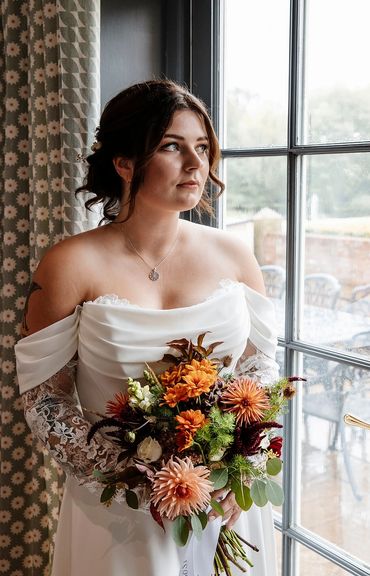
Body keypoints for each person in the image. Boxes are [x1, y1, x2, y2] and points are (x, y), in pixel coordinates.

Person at [15, 79, 279, 576]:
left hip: (224, 501)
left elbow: (259, 369)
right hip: (119, 510)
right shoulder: (69, 263)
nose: (196, 164)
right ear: (124, 162)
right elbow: (45, 400)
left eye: (202, 147)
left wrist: (243, 461)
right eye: (171, 146)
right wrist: (136, 476)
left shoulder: (235, 255)